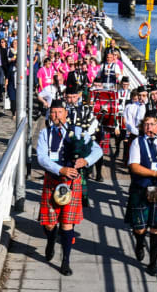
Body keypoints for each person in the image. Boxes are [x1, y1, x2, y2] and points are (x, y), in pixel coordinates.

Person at [37, 100, 102, 276]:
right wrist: (60, 169)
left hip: (72, 183)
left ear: (66, 113)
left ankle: (65, 260)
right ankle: (51, 239)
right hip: (52, 180)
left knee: (67, 223)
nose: (56, 115)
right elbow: (42, 158)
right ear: (50, 114)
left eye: (59, 112)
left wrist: (86, 161)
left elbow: (98, 150)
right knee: (49, 224)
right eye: (53, 112)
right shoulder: (45, 133)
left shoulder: (79, 132)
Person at [125, 113, 157, 276]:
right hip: (142, 187)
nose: (149, 128)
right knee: (139, 228)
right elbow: (134, 166)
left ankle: (153, 264)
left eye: (152, 124)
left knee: (156, 228)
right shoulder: (137, 143)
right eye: (146, 124)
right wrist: (155, 174)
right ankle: (139, 242)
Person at [122, 87, 146, 165]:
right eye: (139, 95)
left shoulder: (148, 107)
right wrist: (130, 129)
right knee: (133, 154)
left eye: (144, 95)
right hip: (134, 133)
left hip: (145, 133)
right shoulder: (130, 107)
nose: (141, 98)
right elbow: (126, 120)